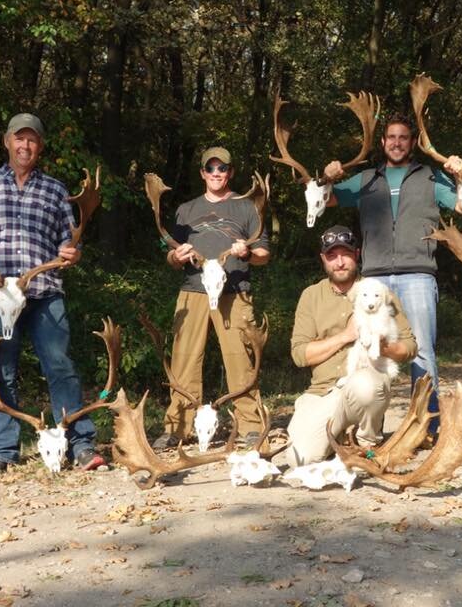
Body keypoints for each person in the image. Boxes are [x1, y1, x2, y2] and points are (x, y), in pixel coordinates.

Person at [0, 113, 105, 473]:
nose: (25, 146)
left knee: (60, 365)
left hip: (45, 292)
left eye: (33, 140)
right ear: (7, 141)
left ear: (40, 146)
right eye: (19, 138)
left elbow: (68, 239)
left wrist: (72, 252)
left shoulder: (55, 190)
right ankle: (0, 452)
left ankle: (81, 443)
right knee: (0, 370)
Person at [322, 114, 462, 439]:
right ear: (383, 142)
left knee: (423, 352)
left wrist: (460, 177)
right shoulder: (366, 179)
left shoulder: (430, 176)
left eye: (403, 137)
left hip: (418, 275)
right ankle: (369, 429)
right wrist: (326, 178)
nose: (397, 142)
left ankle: (427, 428)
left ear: (412, 143)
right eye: (391, 137)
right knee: (369, 347)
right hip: (374, 280)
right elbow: (326, 199)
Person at [154, 146, 270, 449]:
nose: (216, 174)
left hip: (234, 293)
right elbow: (170, 256)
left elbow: (264, 254)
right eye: (211, 169)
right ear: (203, 173)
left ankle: (250, 425)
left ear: (230, 172)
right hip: (193, 292)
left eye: (222, 169)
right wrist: (176, 256)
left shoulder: (248, 207)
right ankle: (178, 427)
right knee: (183, 360)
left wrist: (247, 252)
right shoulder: (185, 210)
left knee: (240, 359)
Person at [286, 225, 417, 467]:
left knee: (365, 385)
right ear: (323, 260)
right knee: (298, 459)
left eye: (345, 254)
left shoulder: (378, 291)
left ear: (356, 254)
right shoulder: (311, 296)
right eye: (332, 256)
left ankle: (368, 442)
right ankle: (336, 435)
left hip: (364, 382)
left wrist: (382, 344)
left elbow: (409, 347)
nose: (339, 263)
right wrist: (345, 336)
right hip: (323, 391)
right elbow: (300, 355)